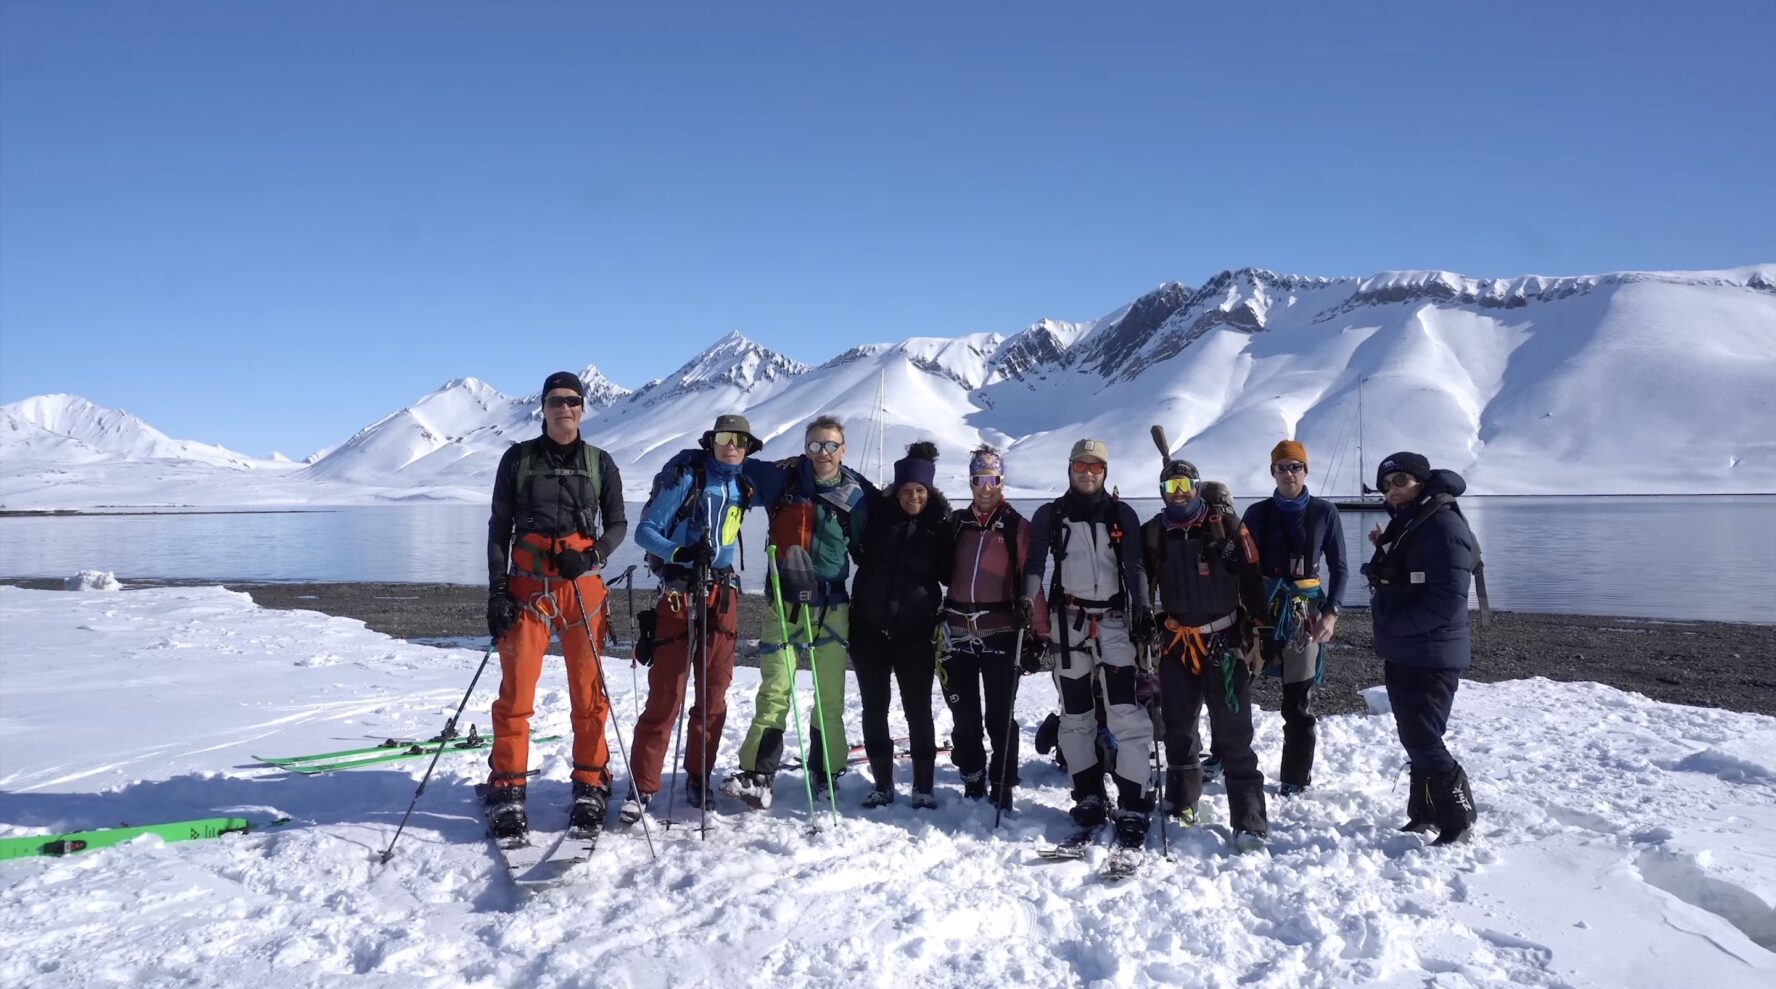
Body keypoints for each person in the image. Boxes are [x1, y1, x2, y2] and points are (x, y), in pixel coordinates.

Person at [483, 371, 627, 840]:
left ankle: (590, 780)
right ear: (542, 408)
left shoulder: (600, 463)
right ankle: (506, 787)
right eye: (555, 401)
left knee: (589, 696)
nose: (564, 407)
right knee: (516, 695)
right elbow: (498, 527)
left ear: (583, 408)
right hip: (526, 589)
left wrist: (593, 555)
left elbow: (619, 524)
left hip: (581, 589)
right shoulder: (517, 460)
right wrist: (496, 592)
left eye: (572, 400)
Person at [722, 415, 875, 808]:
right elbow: (737, 463)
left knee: (829, 695)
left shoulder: (855, 494)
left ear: (843, 450)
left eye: (829, 446)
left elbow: (870, 545)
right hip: (783, 602)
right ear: (803, 447)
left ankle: (827, 770)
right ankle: (759, 772)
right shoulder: (783, 479)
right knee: (775, 690)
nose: (821, 453)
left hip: (832, 605)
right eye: (814, 445)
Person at [617, 414, 757, 823]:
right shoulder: (686, 477)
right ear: (711, 441)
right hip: (679, 592)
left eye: (741, 440)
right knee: (667, 693)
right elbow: (645, 532)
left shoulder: (743, 483)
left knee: (714, 694)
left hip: (723, 593)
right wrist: (679, 554)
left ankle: (699, 777)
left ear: (748, 448)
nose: (732, 446)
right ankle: (642, 787)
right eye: (724, 438)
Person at [1023, 439, 1157, 849]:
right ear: (1069, 468)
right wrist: (1029, 607)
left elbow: (1134, 564)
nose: (1087, 473)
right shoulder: (1051, 514)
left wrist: (1143, 609)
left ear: (1105, 472)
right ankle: (1088, 795)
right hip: (1069, 623)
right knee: (1075, 714)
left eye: (1095, 467)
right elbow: (1034, 566)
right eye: (1080, 465)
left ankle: (1133, 799)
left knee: (1125, 713)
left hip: (1115, 622)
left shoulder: (1122, 513)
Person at [1140, 458, 1272, 850]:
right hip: (1177, 644)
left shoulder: (1227, 528)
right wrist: (1142, 621)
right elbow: (1142, 582)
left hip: (1224, 644)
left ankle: (1249, 820)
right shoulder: (1154, 534)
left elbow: (1252, 580)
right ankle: (1183, 800)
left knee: (1234, 734)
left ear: (1198, 487)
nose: (1178, 495)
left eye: (1185, 486)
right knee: (1179, 730)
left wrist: (1263, 633)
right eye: (1170, 488)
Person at [1364, 451, 1480, 845]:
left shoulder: (1444, 526)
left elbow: (1448, 598)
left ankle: (1459, 815)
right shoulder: (1413, 522)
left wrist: (1397, 625)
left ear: (1421, 481)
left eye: (1399, 482)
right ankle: (1424, 812)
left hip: (1431, 652)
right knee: (1415, 734)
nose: (1391, 492)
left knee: (1423, 737)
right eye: (1385, 485)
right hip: (1407, 650)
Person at [1240, 439, 1348, 795]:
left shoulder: (1324, 512)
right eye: (1282, 467)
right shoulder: (1256, 514)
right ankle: (1228, 758)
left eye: (1295, 467)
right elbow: (1239, 566)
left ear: (1306, 470)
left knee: (1297, 701)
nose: (1289, 473)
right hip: (1262, 611)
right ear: (1272, 471)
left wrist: (1331, 614)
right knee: (1235, 691)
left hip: (1305, 615)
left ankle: (1295, 778)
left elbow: (1340, 568)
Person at [939, 445, 1043, 812]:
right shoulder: (956, 523)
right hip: (958, 631)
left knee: (1000, 716)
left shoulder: (1017, 526)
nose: (986, 487)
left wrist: (1039, 636)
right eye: (979, 479)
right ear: (970, 482)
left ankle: (1002, 779)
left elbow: (1033, 580)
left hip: (1001, 631)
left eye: (993, 479)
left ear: (1002, 481)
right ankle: (971, 774)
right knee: (964, 715)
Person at [849, 442, 952, 808]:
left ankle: (923, 785)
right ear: (896, 490)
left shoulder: (940, 526)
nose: (913, 497)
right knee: (874, 707)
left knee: (918, 707)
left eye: (920, 491)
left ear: (929, 492)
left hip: (915, 632)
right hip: (868, 629)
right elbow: (849, 484)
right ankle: (882, 783)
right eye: (907, 490)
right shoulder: (877, 515)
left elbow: (951, 572)